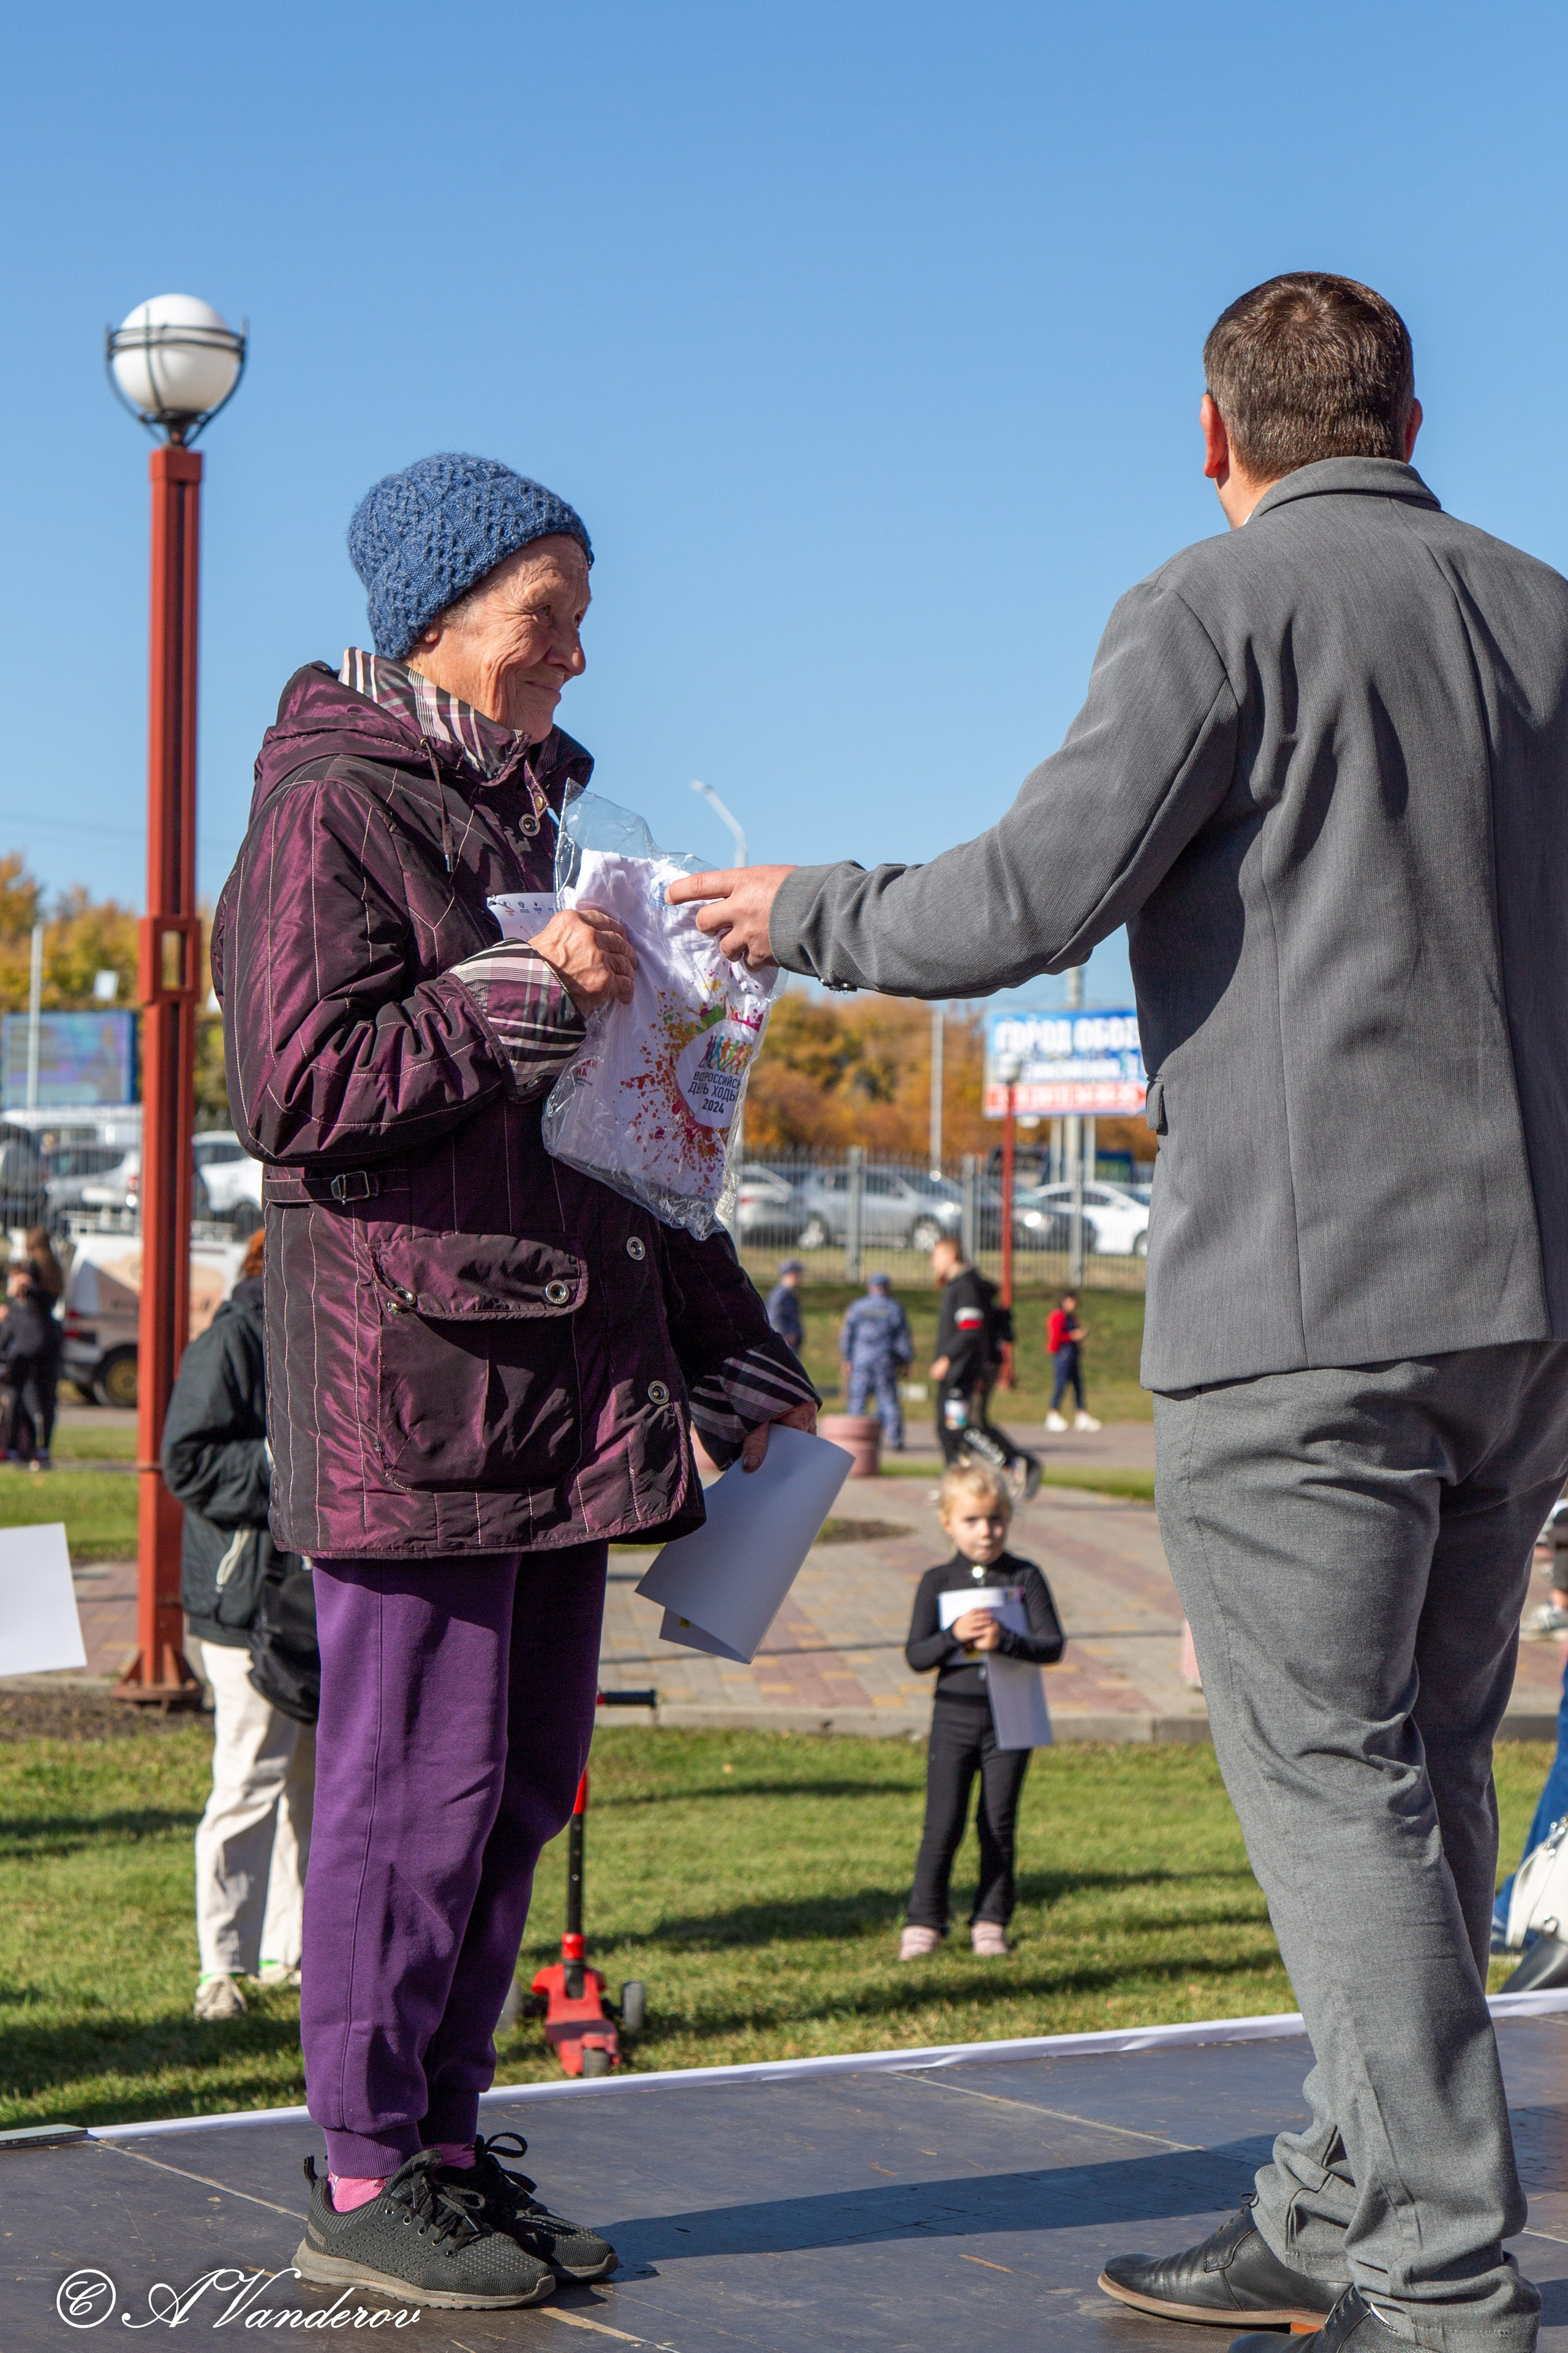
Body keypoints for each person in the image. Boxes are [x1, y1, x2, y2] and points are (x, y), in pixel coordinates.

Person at [670, 274, 1568, 2353]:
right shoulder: (1542, 616)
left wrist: (799, 911)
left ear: (1210, 434)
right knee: (1420, 1764)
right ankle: (1342, 2197)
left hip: (1307, 1305)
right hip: (1521, 1321)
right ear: (1413, 414)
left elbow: (1028, 897)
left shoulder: (1216, 604)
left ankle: (1433, 2272)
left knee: (1333, 1780)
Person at [214, 453, 818, 2311]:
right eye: (544, 611)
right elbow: (298, 1093)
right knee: (411, 1786)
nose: (574, 648)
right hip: (416, 1388)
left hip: (562, 1381)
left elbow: (612, 1137)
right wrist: (523, 990)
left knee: (519, 1782)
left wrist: (728, 1331)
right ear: (439, 619)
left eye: (574, 609)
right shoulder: (334, 807)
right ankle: (368, 2156)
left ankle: (448, 2140)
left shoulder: (556, 818)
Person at [164, 1228, 318, 2022]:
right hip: (241, 1605)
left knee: (311, 1788)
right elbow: (184, 1460)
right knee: (249, 1782)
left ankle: (287, 1956)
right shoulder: (234, 1335)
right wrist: (285, 1462)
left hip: (315, 1604)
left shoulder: (326, 1325)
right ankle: (219, 1967)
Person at [900, 1462, 1063, 1958]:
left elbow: (1052, 1644)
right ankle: (924, 1920)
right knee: (942, 1822)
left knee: (997, 1822)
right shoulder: (937, 1580)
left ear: (1008, 1520)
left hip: (1009, 1721)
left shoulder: (1025, 1575)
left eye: (995, 1520)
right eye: (972, 1520)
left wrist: (1006, 1639)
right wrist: (954, 1637)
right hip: (952, 1718)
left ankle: (991, 1918)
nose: (986, 1531)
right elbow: (915, 1655)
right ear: (948, 1522)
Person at [930, 1238, 1040, 1495]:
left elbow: (971, 1331)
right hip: (956, 1373)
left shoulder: (966, 1287)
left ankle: (1014, 1461)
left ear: (951, 1254)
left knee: (959, 1428)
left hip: (962, 1373)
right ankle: (953, 1485)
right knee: (948, 1429)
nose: (932, 1262)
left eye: (936, 1255)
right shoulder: (959, 1286)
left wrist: (947, 1357)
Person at [0, 1233, 62, 1467]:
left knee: (20, 1395)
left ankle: (16, 1447)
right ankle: (43, 1449)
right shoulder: (54, 1270)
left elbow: (20, 1289)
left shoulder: (33, 1267)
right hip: (49, 1338)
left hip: (27, 1342)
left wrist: (16, 1291)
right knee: (46, 1398)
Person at [839, 1271, 913, 1448]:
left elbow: (847, 1334)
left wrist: (847, 1358)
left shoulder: (858, 1306)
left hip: (861, 1359)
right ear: (887, 1288)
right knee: (888, 1400)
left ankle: (855, 1441)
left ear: (870, 1287)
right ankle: (895, 1440)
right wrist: (906, 1361)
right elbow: (902, 1339)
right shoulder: (894, 1308)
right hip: (885, 1361)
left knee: (858, 1400)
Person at [1045, 1292, 1100, 1433]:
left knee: (1078, 1385)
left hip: (1073, 1354)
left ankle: (1081, 1415)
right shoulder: (1058, 1315)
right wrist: (1073, 1336)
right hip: (1062, 1354)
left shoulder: (1072, 1318)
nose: (1073, 1305)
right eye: (1070, 1301)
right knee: (1061, 1384)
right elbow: (1056, 1337)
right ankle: (1053, 1414)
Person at [766, 1257, 806, 1354]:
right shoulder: (782, 1294)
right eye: (798, 1274)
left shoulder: (789, 1293)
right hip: (786, 1342)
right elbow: (775, 1316)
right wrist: (784, 1335)